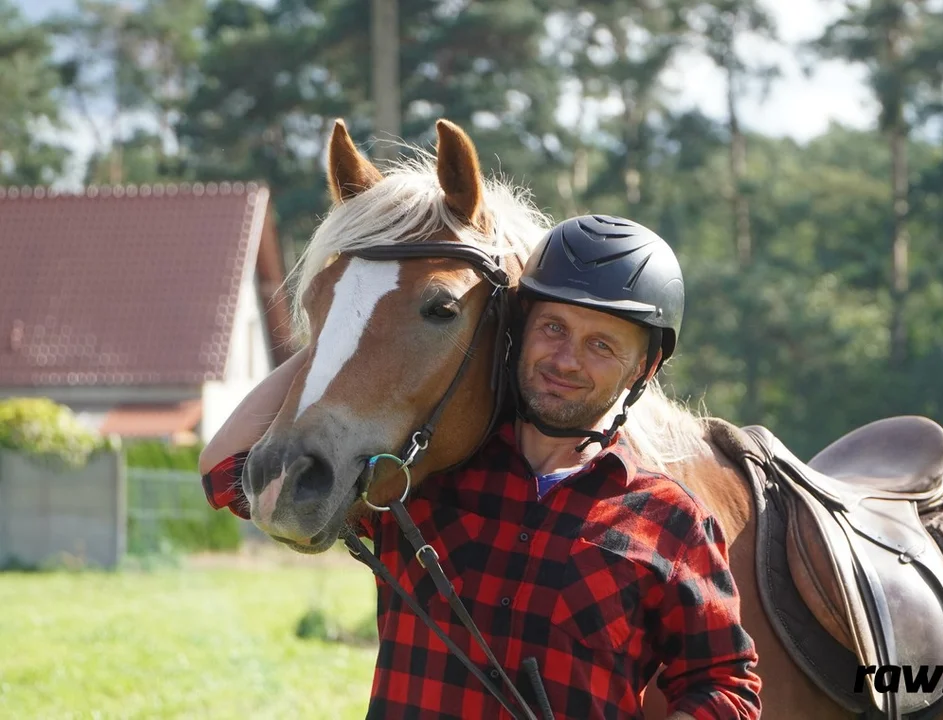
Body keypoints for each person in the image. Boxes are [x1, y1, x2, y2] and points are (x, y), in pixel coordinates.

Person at [200, 214, 763, 719]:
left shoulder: (672, 523)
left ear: (644, 367)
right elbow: (226, 470)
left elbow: (726, 687)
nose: (565, 360)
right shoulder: (422, 480)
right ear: (519, 330)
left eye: (601, 346)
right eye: (553, 328)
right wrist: (353, 317)